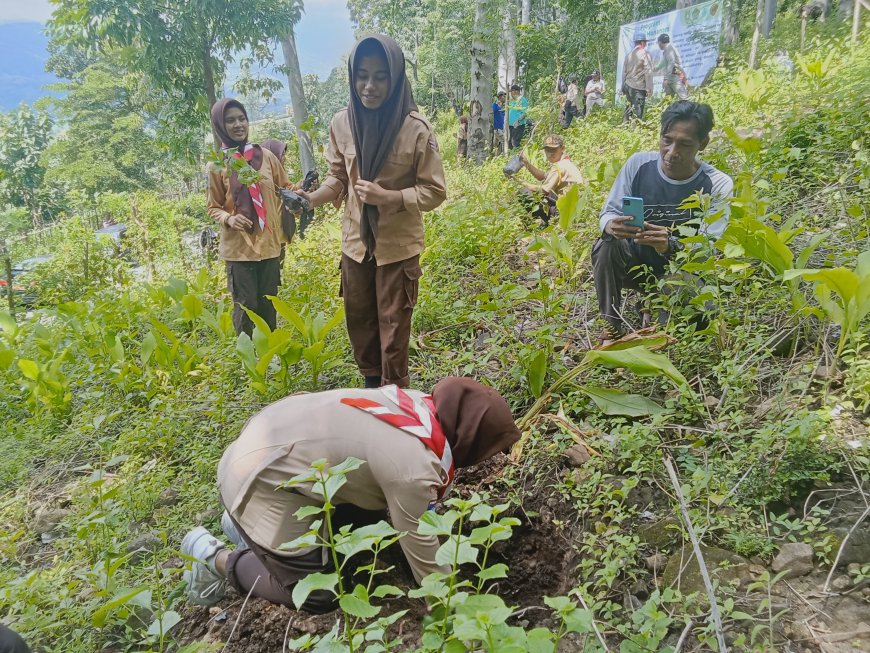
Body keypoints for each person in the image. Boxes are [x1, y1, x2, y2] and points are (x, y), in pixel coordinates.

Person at [180, 377, 522, 612]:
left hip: (269, 452)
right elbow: (431, 571)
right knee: (317, 593)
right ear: (472, 440)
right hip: (257, 482)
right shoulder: (412, 468)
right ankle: (215, 558)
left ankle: (248, 529)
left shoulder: (416, 408)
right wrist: (459, 613)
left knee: (363, 544)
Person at [295, 35, 446, 389]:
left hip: (397, 246)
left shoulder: (415, 129)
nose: (369, 86)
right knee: (360, 320)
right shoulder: (342, 123)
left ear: (395, 78)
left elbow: (435, 190)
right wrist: (310, 199)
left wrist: (389, 197)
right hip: (355, 244)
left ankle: (395, 398)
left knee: (393, 327)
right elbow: (337, 178)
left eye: (380, 76)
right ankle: (371, 389)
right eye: (362, 75)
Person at [592, 101, 734, 342]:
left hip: (681, 271)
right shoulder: (638, 165)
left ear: (703, 144)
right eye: (666, 140)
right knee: (606, 245)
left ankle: (655, 313)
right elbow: (608, 212)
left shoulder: (717, 184)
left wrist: (670, 245)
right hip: (635, 264)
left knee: (668, 330)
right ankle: (612, 327)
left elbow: (708, 250)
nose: (671, 152)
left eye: (685, 144)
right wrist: (610, 225)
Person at [207, 99, 293, 337]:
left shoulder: (265, 156)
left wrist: (305, 190)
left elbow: (285, 187)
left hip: (269, 245)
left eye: (242, 118)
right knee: (246, 307)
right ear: (220, 125)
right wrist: (229, 218)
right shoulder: (217, 163)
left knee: (268, 304)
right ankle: (250, 364)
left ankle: (272, 357)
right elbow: (213, 206)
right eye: (230, 120)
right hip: (239, 250)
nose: (238, 125)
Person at [513, 134, 584, 227]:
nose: (550, 154)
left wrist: (521, 182)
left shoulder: (560, 166)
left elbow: (544, 190)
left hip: (566, 209)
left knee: (524, 193)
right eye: (548, 150)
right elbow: (543, 176)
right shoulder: (565, 162)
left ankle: (548, 221)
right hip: (573, 206)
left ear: (562, 148)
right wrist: (526, 164)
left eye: (554, 150)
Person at [622, 33, 653, 122]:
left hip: (627, 85)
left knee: (628, 109)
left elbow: (624, 73)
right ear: (643, 43)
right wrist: (649, 88)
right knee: (637, 112)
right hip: (638, 87)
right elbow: (648, 71)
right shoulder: (644, 53)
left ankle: (625, 128)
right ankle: (636, 131)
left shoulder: (628, 55)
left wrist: (622, 87)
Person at [655, 34, 688, 100]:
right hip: (671, 76)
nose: (658, 45)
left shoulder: (669, 48)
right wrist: (656, 68)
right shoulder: (668, 49)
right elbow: (664, 62)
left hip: (675, 75)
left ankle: (689, 109)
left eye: (658, 43)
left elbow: (671, 62)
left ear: (660, 42)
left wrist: (667, 78)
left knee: (683, 98)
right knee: (668, 98)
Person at [507, 84, 529, 149]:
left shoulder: (522, 99)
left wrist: (518, 121)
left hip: (518, 125)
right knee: (509, 143)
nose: (511, 94)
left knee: (515, 142)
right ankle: (510, 158)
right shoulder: (512, 101)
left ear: (516, 91)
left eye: (512, 92)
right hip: (510, 125)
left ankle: (516, 157)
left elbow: (525, 112)